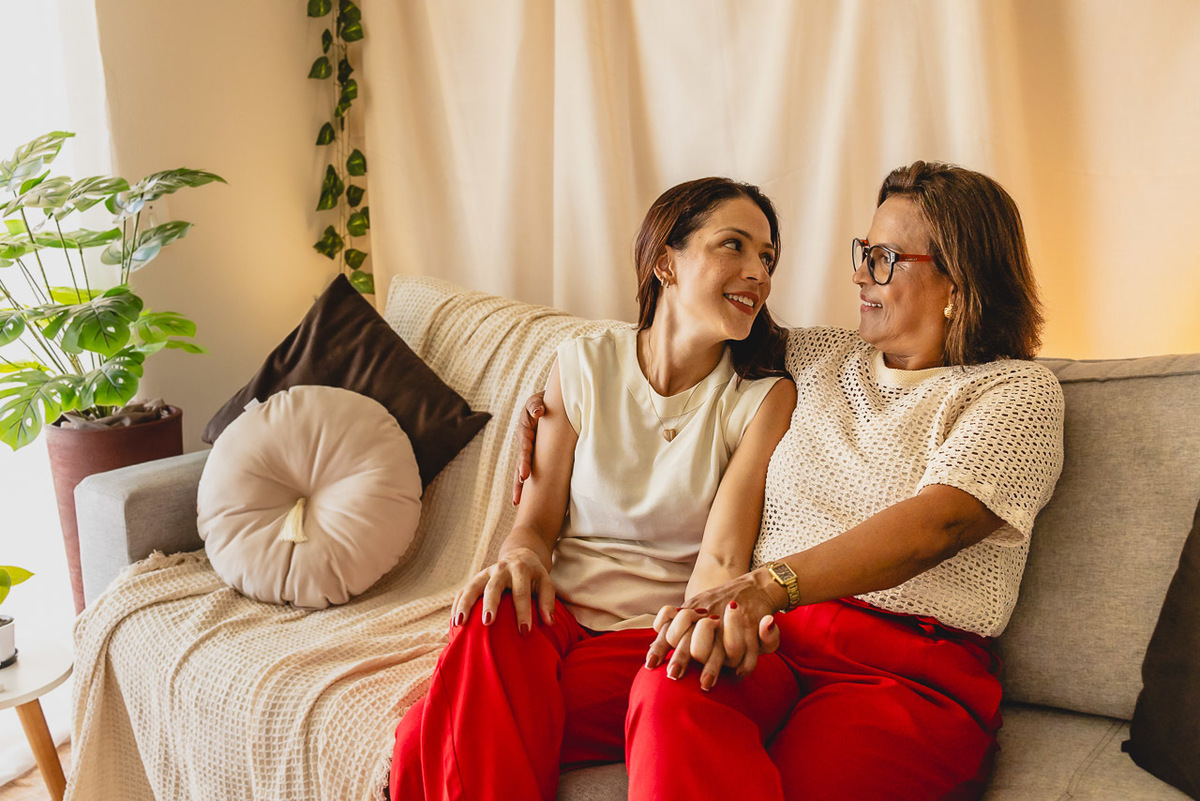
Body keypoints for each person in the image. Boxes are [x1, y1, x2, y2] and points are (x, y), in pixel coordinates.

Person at [514, 161, 1065, 800]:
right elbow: (685, 330)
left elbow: (938, 523)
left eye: (885, 258)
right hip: (767, 641)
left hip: (897, 671)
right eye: (864, 252)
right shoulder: (816, 356)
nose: (860, 273)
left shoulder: (1015, 391)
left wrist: (769, 585)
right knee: (664, 690)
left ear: (958, 280)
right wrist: (554, 406)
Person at [389, 177, 797, 801]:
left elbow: (721, 561)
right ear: (666, 261)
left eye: (766, 257)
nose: (757, 273)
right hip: (551, 618)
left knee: (427, 732)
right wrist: (521, 559)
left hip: (649, 637)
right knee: (491, 612)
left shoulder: (760, 398)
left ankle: (453, 717)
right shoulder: (581, 363)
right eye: (734, 246)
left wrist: (698, 627)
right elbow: (535, 525)